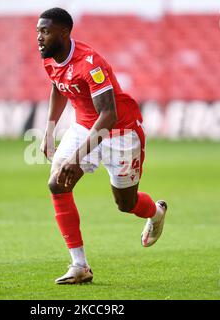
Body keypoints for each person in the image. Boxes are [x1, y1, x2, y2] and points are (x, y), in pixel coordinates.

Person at [37, 7, 168, 284]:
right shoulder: (49, 58)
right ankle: (79, 265)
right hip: (85, 127)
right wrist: (49, 130)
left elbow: (108, 116)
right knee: (57, 183)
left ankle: (156, 213)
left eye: (45, 31)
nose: (39, 37)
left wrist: (76, 158)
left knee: (125, 203)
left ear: (63, 32)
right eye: (38, 31)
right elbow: (58, 86)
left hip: (121, 132)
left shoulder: (90, 64)